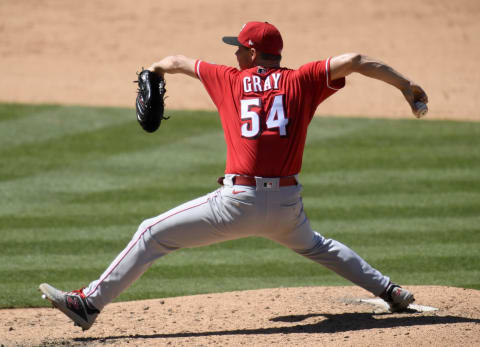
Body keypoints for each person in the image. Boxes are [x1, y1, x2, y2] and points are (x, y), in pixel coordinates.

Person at [40, 21, 428, 331]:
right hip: (286, 206)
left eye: (239, 47)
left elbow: (176, 60)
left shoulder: (230, 79)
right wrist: (405, 86)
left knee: (151, 232)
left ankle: (88, 304)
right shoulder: (302, 80)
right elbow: (357, 58)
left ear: (253, 52)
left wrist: (152, 70)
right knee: (315, 245)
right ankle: (390, 290)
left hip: (237, 203)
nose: (235, 52)